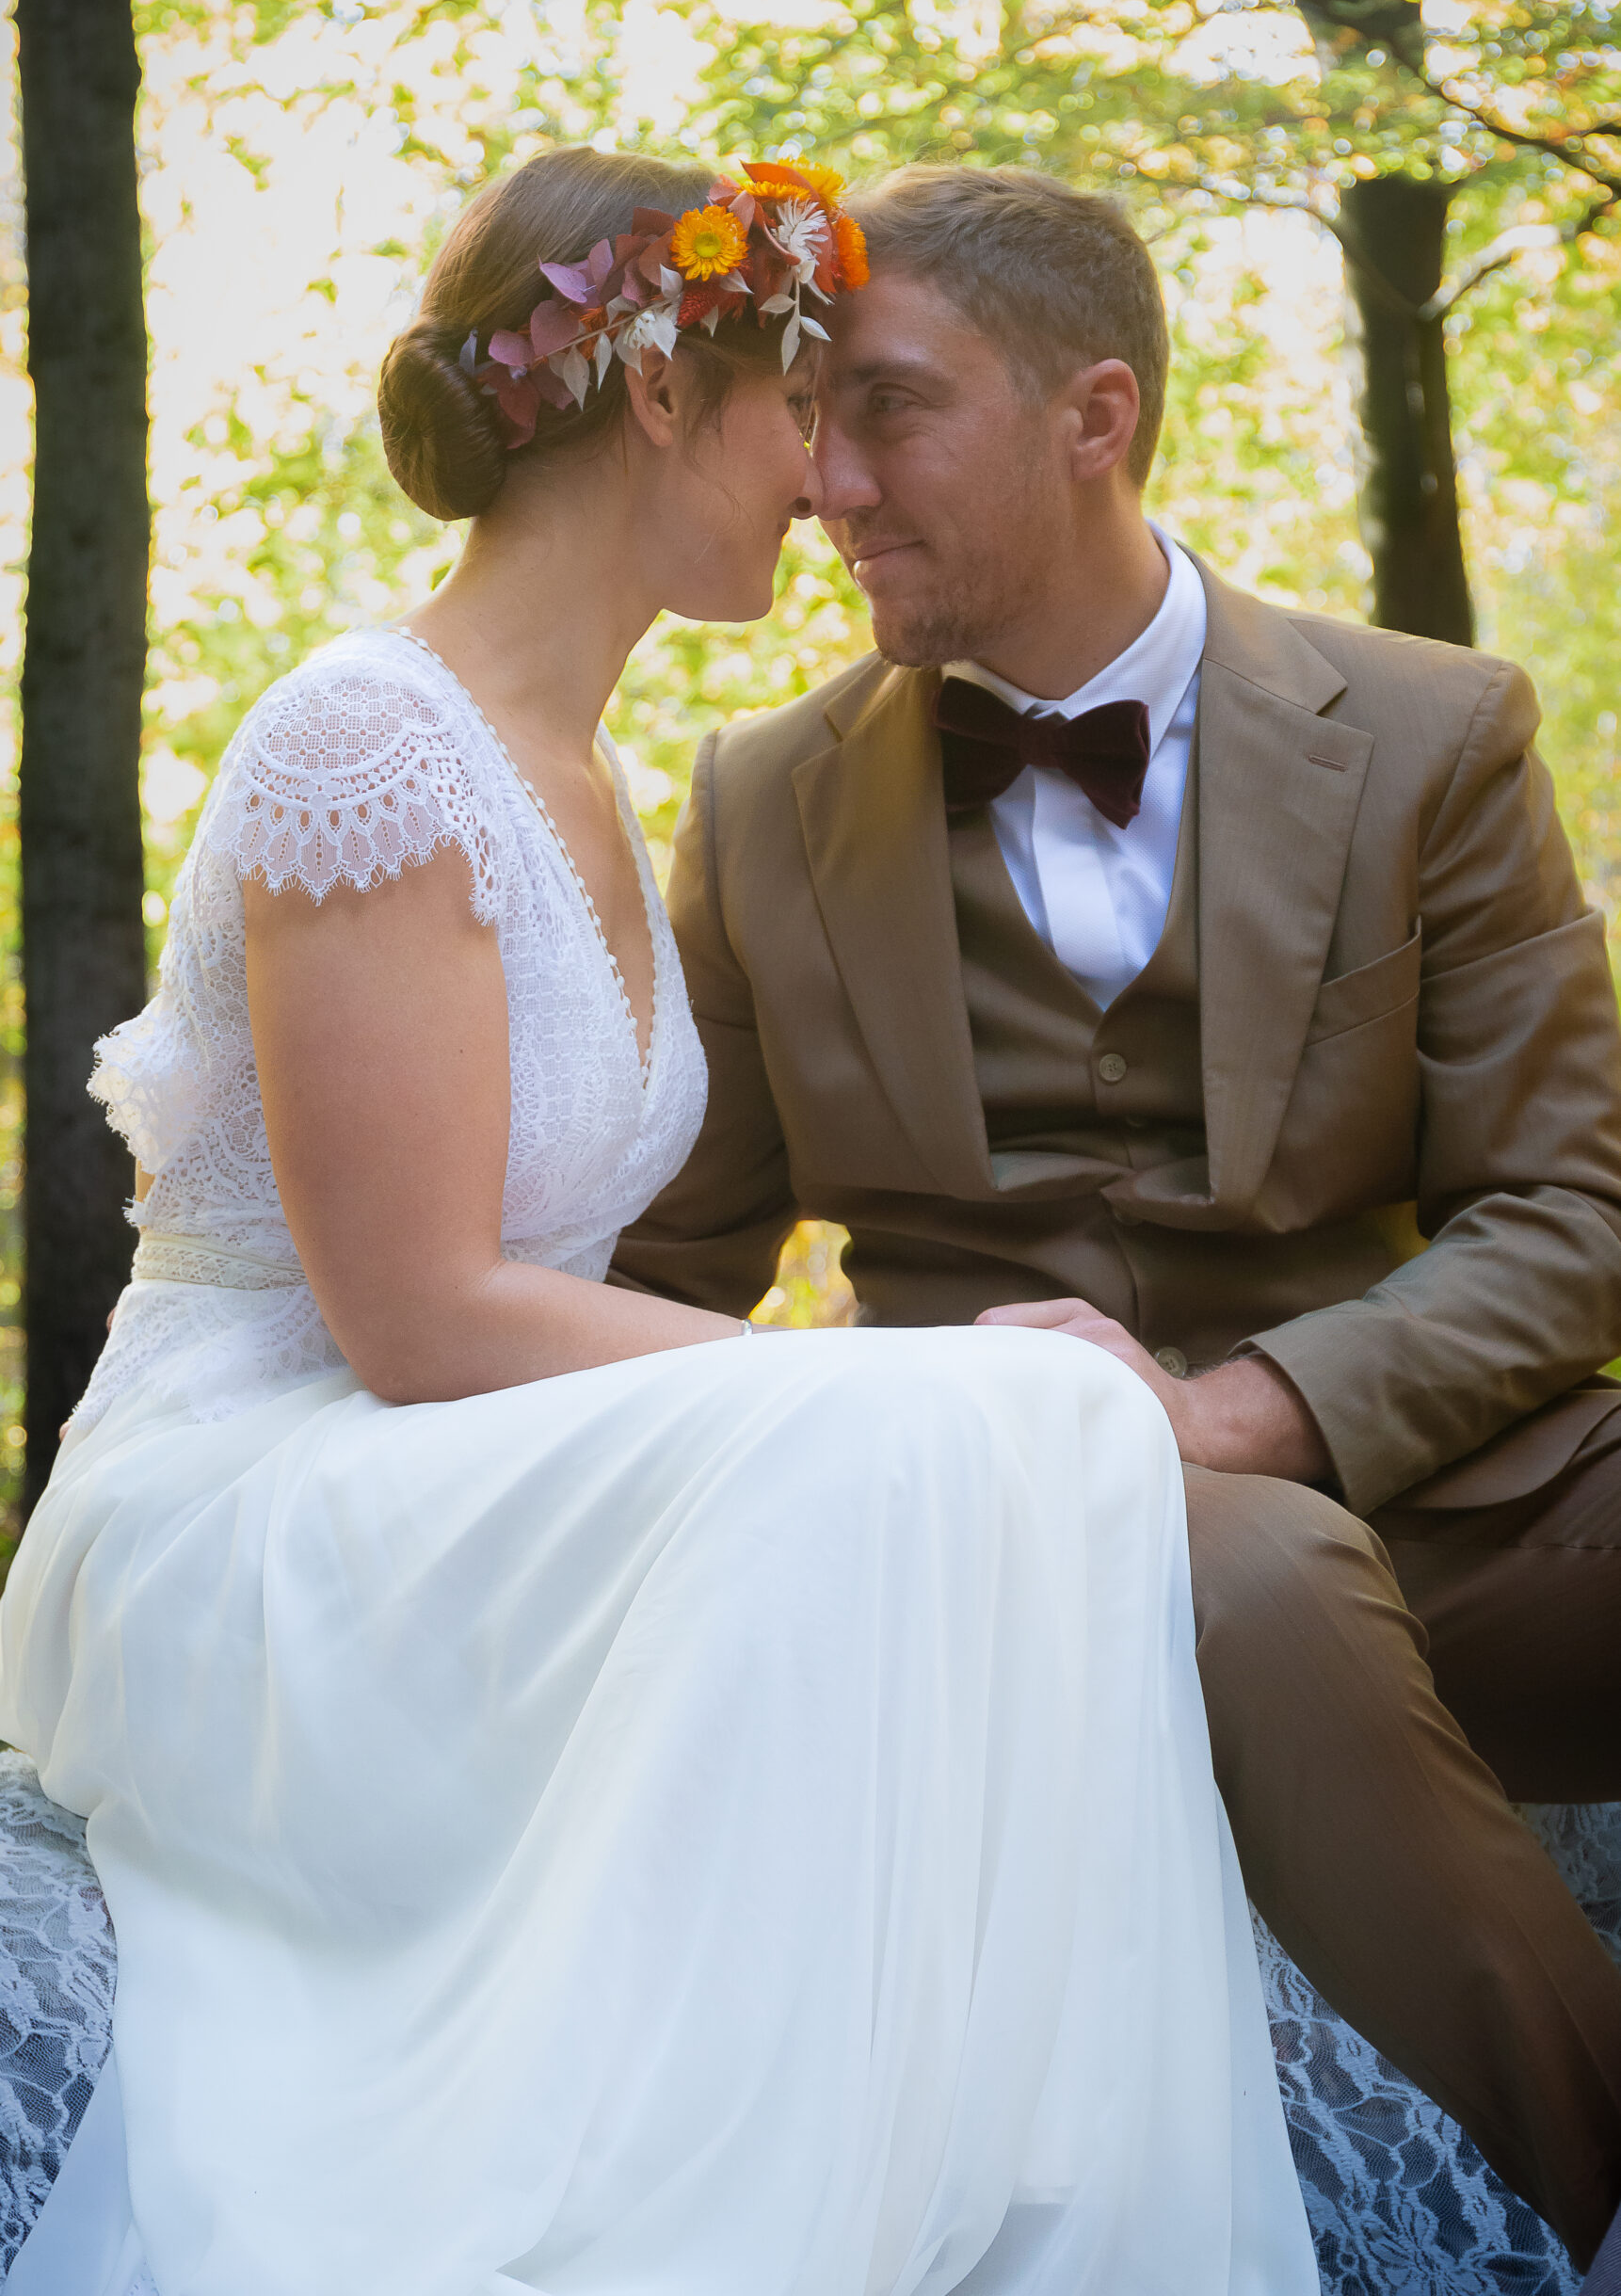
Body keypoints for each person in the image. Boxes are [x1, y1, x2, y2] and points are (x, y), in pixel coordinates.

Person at [0, 147, 1319, 2296]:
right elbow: (421, 1312)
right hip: (248, 1496)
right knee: (966, 1422)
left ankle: (1026, 2204)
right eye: (800, 404)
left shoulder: (599, 776)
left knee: (1029, 1431)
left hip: (424, 1474)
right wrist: (892, 1374)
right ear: (652, 391)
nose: (825, 477)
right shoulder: (367, 739)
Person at [610, 161, 1621, 2280]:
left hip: (1433, 1487)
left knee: (1259, 1527)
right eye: (808, 420)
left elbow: (1574, 1203)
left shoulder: (1434, 734)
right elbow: (660, 1276)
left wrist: (1250, 1405)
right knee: (1231, 1578)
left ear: (1099, 415)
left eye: (888, 408)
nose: (825, 482)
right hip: (1016, 1534)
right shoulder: (755, 799)